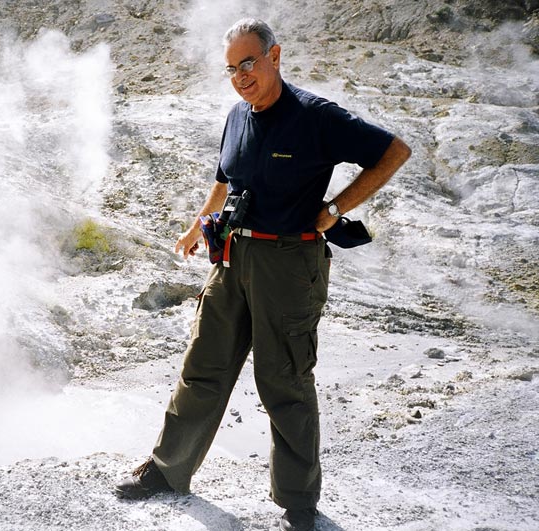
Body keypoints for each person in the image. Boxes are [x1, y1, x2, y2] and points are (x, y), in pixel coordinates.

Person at [115, 17, 411, 531]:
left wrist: (336, 208)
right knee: (202, 366)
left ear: (275, 57)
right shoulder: (237, 115)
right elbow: (224, 181)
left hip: (289, 265)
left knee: (285, 381)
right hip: (232, 260)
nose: (240, 76)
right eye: (231, 68)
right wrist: (195, 227)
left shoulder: (316, 116)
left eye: (248, 63)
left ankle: (298, 504)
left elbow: (393, 152)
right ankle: (167, 472)